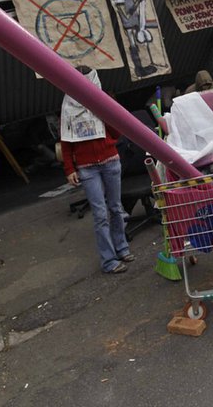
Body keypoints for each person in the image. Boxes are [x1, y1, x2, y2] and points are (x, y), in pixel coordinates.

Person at [59, 66, 135, 274]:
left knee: (116, 208)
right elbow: (66, 142)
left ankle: (122, 249)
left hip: (110, 161)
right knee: (100, 214)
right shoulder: (67, 109)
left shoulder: (103, 101)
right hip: (87, 168)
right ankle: (109, 261)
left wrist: (104, 110)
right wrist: (69, 168)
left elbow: (117, 132)